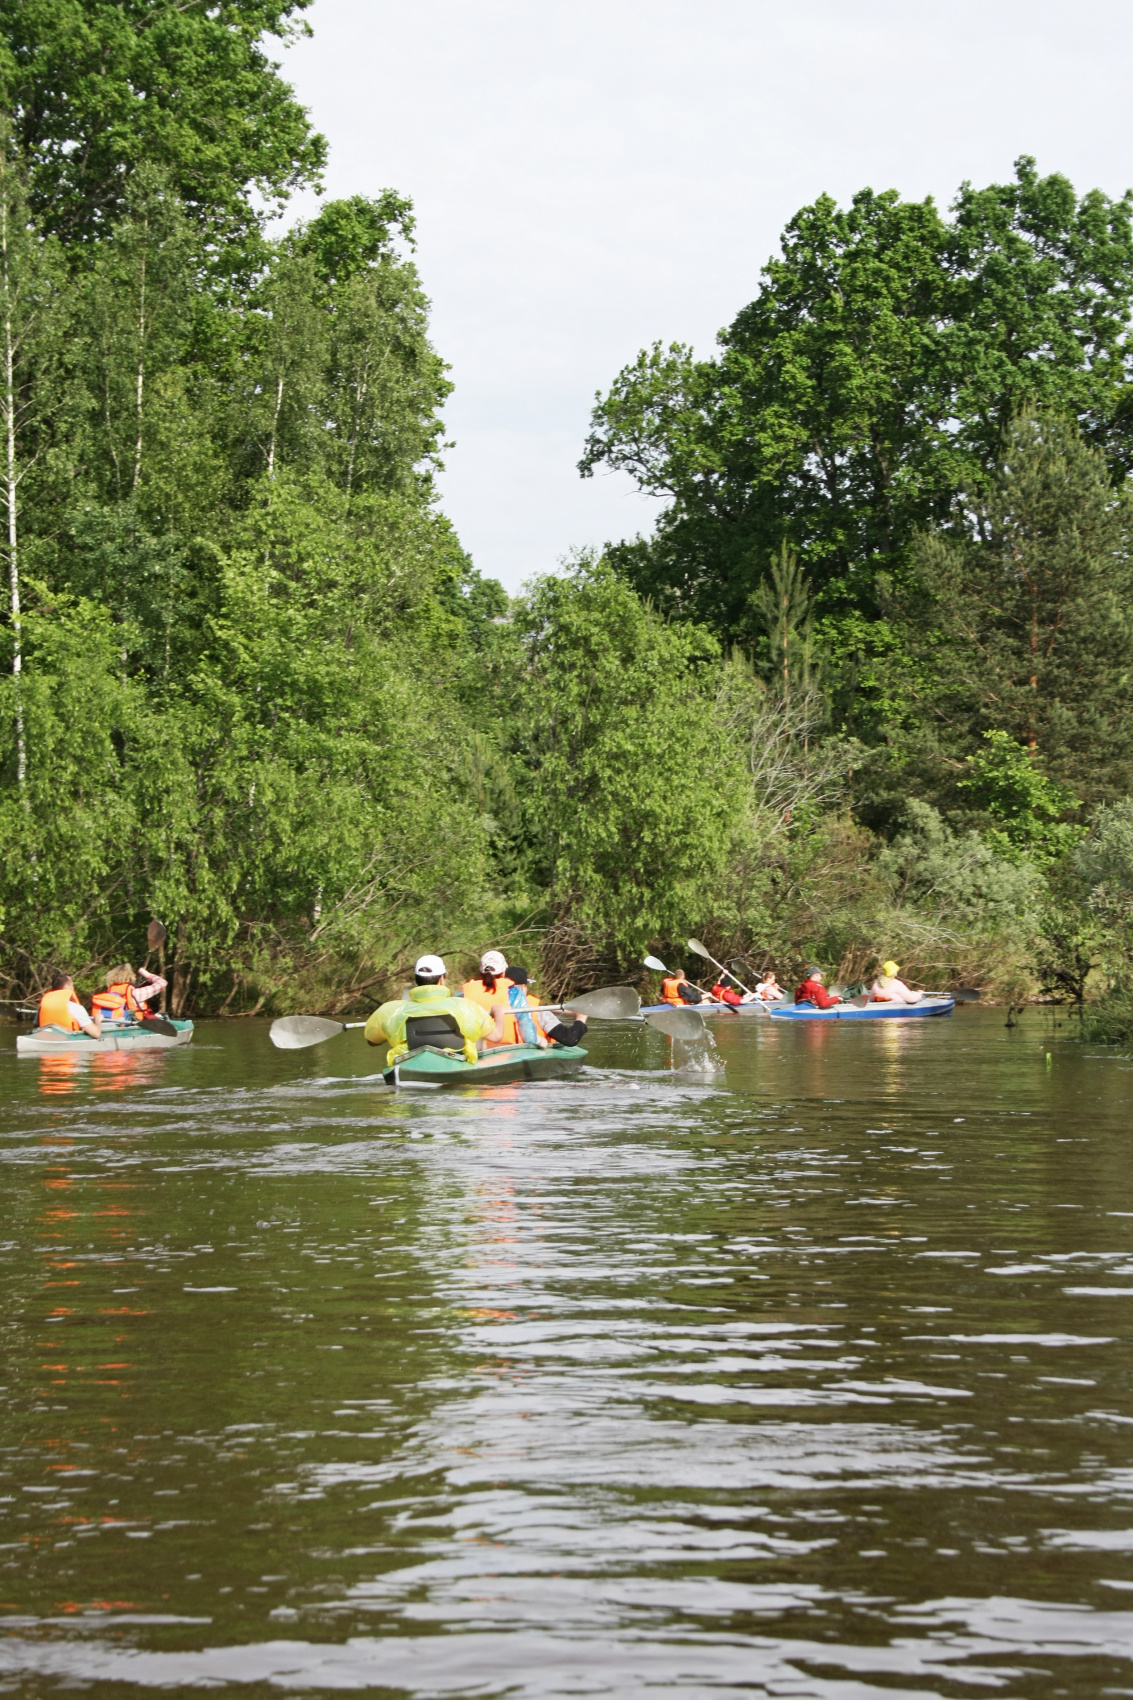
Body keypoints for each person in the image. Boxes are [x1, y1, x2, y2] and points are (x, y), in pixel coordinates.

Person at [365, 954, 506, 1068]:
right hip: (455, 1063)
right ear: (441, 979)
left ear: (416, 980)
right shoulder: (466, 1007)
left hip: (410, 1065)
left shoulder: (392, 1010)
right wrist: (498, 1013)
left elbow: (372, 1041)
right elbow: (496, 1036)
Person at [507, 966, 588, 1048]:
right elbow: (570, 1039)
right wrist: (581, 1019)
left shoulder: (497, 1007)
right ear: (523, 986)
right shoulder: (539, 1012)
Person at [91, 964, 167, 1024]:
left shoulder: (110, 991)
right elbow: (162, 983)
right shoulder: (135, 993)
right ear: (131, 977)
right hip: (134, 1024)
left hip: (114, 1023)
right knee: (162, 1016)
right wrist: (144, 972)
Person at [38, 972, 102, 1037]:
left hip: (46, 1037)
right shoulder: (75, 1007)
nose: (73, 987)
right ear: (67, 987)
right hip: (66, 1040)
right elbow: (96, 1034)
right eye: (72, 985)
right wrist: (97, 1020)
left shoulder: (43, 1005)